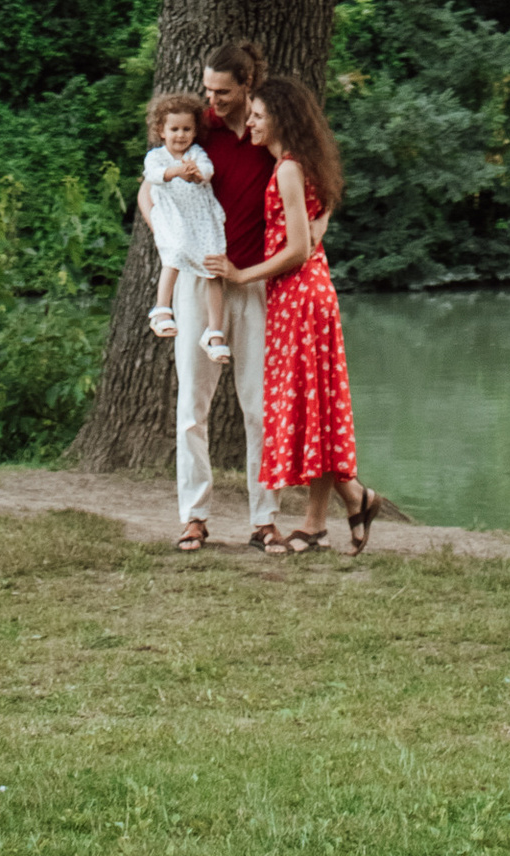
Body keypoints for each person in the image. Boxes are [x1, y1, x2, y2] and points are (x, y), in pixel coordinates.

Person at [213, 72, 381, 558]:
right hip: (311, 294)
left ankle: (321, 519)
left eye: (260, 115)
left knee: (310, 407)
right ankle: (346, 503)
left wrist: (243, 275)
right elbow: (321, 214)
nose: (253, 121)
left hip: (299, 296)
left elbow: (299, 247)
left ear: (281, 118)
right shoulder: (303, 163)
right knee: (316, 408)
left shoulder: (288, 168)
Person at [169, 39, 282, 553]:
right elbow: (151, 186)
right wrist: (169, 239)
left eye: (222, 91)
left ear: (246, 87)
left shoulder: (267, 135)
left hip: (254, 280)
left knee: (258, 406)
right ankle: (193, 517)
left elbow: (316, 189)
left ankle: (265, 521)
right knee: (193, 403)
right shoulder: (197, 130)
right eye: (207, 88)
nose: (211, 99)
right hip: (199, 280)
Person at [138, 92, 228, 363]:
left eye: (187, 129)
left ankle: (214, 332)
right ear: (161, 131)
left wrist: (197, 173)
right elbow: (154, 176)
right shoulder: (157, 157)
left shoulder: (196, 154)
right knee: (174, 254)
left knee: (214, 269)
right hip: (174, 218)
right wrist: (178, 171)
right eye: (174, 129)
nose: (180, 135)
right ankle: (162, 309)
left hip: (201, 219)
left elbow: (207, 170)